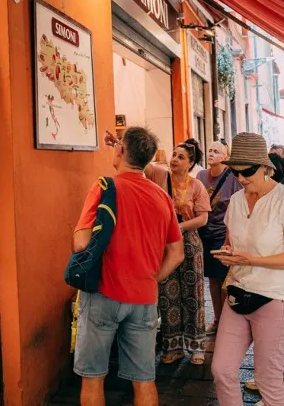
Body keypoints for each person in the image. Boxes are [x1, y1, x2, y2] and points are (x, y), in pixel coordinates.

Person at [74, 127, 185, 406]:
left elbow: (80, 244)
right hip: (144, 298)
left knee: (93, 378)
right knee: (144, 379)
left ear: (121, 151)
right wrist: (152, 277)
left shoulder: (103, 187)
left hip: (103, 293)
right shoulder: (162, 197)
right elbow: (177, 253)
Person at [210, 132, 284, 406]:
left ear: (266, 167)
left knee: (268, 380)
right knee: (222, 371)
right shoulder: (237, 202)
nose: (240, 178)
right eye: (234, 172)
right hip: (238, 293)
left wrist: (250, 260)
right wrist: (228, 254)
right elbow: (232, 243)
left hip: (274, 298)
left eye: (247, 171)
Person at [145, 139, 212, 365]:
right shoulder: (159, 176)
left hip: (190, 243)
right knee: (167, 295)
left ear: (191, 163)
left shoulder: (196, 186)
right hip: (163, 245)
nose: (174, 159)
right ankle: (173, 348)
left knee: (193, 294)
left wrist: (180, 226)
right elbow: (143, 164)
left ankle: (196, 347)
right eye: (174, 155)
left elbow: (203, 218)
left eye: (181, 157)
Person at [196, 141, 242, 335]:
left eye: (216, 151)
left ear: (225, 157)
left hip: (223, 233)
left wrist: (230, 239)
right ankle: (217, 319)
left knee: (224, 279)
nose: (211, 154)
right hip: (203, 232)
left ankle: (227, 321)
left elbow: (237, 208)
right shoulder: (200, 176)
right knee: (212, 280)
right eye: (210, 150)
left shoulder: (232, 177)